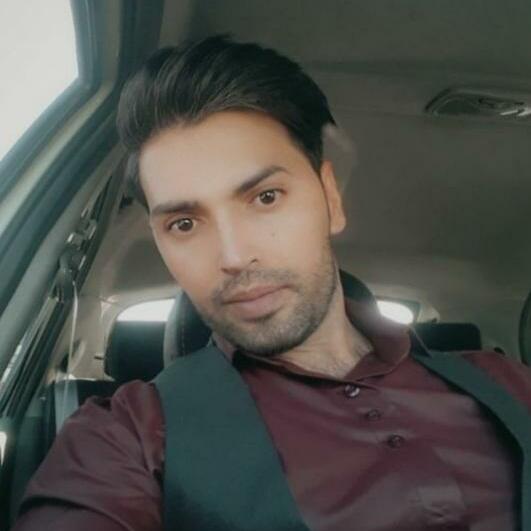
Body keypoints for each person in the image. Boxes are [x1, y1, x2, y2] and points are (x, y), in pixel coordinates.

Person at [12, 35, 531, 531]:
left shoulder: (508, 383)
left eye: (265, 198)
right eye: (185, 224)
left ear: (330, 199)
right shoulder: (130, 437)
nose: (235, 257)